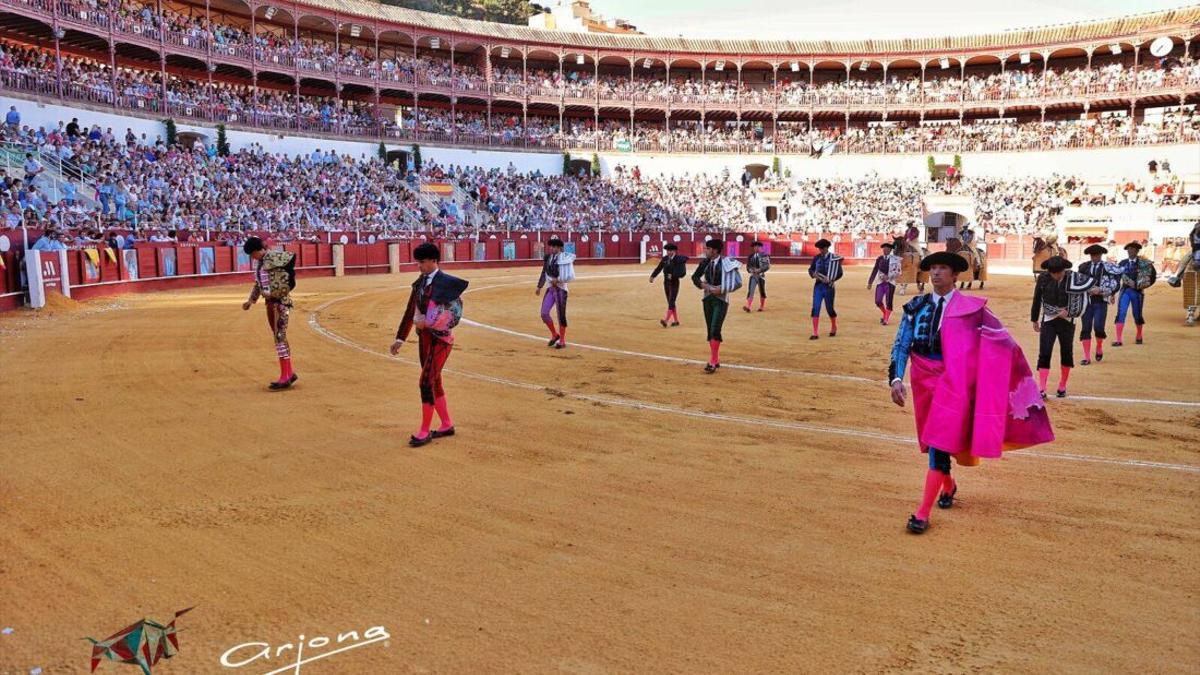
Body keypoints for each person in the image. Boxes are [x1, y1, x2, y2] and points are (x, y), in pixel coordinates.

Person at [889, 251, 1053, 535]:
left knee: (939, 440)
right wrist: (896, 378)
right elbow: (902, 345)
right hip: (923, 382)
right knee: (933, 440)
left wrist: (1000, 370)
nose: (936, 273)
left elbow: (1000, 342)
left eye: (943, 268)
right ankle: (948, 486)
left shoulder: (973, 310)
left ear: (955, 275)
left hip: (955, 383)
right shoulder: (915, 307)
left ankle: (922, 513)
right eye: (933, 268)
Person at [390, 242, 469, 448]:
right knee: (435, 382)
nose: (419, 266)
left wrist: (429, 323)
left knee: (425, 382)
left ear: (434, 261)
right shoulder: (420, 283)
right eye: (418, 262)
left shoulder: (447, 283)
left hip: (441, 340)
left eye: (422, 262)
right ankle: (446, 424)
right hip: (424, 339)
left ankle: (424, 431)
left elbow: (454, 314)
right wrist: (400, 338)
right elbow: (410, 310)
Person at [240, 237, 298, 390]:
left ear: (258, 250)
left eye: (252, 254)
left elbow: (287, 278)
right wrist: (251, 301)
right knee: (279, 337)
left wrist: (274, 294)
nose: (252, 257)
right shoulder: (260, 263)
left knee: (279, 337)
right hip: (271, 304)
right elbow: (259, 284)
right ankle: (289, 373)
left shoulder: (272, 258)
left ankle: (285, 376)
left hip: (280, 303)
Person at [691, 238, 742, 373]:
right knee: (710, 329)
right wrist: (702, 285)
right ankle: (715, 358)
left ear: (715, 250)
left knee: (715, 328)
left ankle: (713, 362)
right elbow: (695, 277)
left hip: (721, 300)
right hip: (707, 298)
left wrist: (722, 288)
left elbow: (738, 282)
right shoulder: (705, 263)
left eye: (708, 249)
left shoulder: (727, 262)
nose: (705, 251)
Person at [1031, 256, 1076, 398]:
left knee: (1066, 352)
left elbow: (1080, 299)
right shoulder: (1043, 278)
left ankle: (1062, 385)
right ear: (1049, 272)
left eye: (1059, 272)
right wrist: (1034, 319)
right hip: (1049, 320)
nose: (1057, 275)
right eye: (1053, 273)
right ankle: (1042, 387)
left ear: (1064, 270)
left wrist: (1071, 312)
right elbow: (1037, 298)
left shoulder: (1073, 278)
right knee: (1044, 352)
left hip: (1067, 321)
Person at [1077, 244, 1118, 365]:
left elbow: (1115, 283)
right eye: (1092, 255)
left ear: (1101, 255)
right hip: (1086, 301)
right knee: (1086, 328)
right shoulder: (1083, 267)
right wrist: (1087, 289)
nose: (1094, 257)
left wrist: (1101, 290)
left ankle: (1099, 346)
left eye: (1097, 255)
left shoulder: (1107, 268)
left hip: (1100, 301)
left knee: (1099, 327)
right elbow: (1078, 282)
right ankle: (1086, 357)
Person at [1113, 241, 1155, 346]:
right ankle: (1118, 339)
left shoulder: (1144, 263)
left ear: (1137, 251)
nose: (1130, 251)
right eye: (1129, 249)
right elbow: (1116, 278)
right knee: (1121, 313)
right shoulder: (1122, 263)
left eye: (1132, 249)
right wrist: (1113, 292)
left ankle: (1139, 336)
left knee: (1137, 314)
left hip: (1137, 292)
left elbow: (1152, 277)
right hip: (1125, 291)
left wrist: (1142, 285)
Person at [535, 237, 575, 349]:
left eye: (554, 247)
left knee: (561, 315)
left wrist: (558, 280)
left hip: (561, 289)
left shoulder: (564, 258)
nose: (552, 248)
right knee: (544, 313)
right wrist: (539, 286)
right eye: (551, 246)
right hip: (550, 289)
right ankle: (554, 334)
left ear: (559, 248)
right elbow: (544, 272)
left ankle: (562, 340)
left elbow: (568, 274)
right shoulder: (548, 258)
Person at [808, 238, 843, 339]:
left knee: (829, 308)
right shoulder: (816, 258)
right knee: (816, 307)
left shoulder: (834, 258)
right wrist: (813, 274)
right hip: (818, 286)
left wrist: (832, 279)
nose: (821, 250)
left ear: (827, 248)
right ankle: (815, 333)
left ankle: (834, 326)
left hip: (829, 287)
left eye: (822, 248)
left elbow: (840, 273)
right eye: (819, 249)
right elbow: (810, 269)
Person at [649, 242, 687, 327]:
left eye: (670, 251)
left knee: (671, 301)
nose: (669, 252)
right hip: (666, 283)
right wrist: (653, 276)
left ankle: (666, 320)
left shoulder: (679, 259)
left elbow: (683, 273)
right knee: (670, 302)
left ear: (674, 251)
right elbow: (659, 268)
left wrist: (673, 275)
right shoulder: (665, 259)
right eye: (667, 251)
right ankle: (676, 321)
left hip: (674, 283)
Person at [867, 241, 901, 325]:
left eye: (887, 249)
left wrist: (889, 277)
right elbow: (875, 269)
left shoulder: (895, 259)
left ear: (890, 250)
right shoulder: (879, 259)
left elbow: (899, 272)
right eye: (884, 249)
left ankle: (886, 319)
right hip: (880, 282)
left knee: (889, 301)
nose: (885, 250)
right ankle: (885, 313)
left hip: (890, 282)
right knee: (878, 301)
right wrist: (870, 282)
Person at [743, 240, 770, 312]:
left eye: (758, 246)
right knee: (751, 290)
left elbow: (767, 266)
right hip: (753, 276)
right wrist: (751, 270)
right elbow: (748, 267)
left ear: (761, 247)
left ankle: (762, 306)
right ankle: (748, 306)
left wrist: (759, 270)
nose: (756, 248)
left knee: (762, 291)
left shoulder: (764, 255)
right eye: (755, 247)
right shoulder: (751, 256)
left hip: (761, 276)